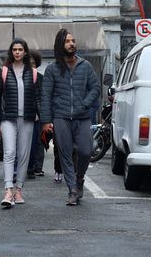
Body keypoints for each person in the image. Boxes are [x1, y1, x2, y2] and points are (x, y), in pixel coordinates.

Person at [41, 28, 100, 206]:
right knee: (65, 154)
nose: (72, 44)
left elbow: (95, 88)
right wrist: (46, 121)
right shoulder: (52, 69)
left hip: (82, 117)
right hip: (61, 117)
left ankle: (79, 179)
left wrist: (84, 104)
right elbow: (46, 95)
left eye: (73, 41)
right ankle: (73, 190)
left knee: (85, 151)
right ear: (61, 45)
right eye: (67, 41)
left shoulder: (85, 66)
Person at [0, 38, 40, 208]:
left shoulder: (33, 73)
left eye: (20, 49)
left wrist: (44, 120)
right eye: (15, 49)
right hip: (8, 118)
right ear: (11, 52)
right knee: (9, 152)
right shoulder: (3, 72)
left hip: (27, 118)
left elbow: (37, 98)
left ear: (25, 52)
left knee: (24, 154)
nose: (17, 52)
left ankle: (18, 189)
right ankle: (7, 189)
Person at [27, 49, 46, 179]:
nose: (31, 65)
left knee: (39, 141)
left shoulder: (41, 78)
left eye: (33, 63)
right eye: (29, 63)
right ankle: (27, 167)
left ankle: (37, 167)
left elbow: (44, 96)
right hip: (24, 114)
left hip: (38, 114)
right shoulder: (20, 78)